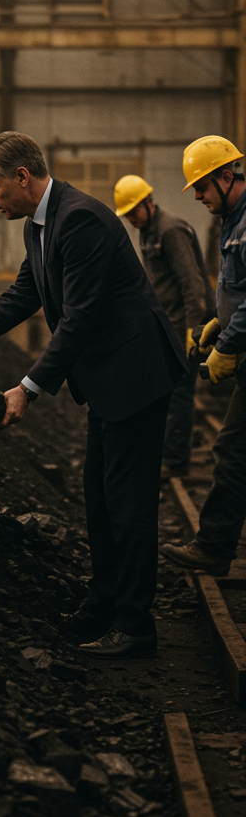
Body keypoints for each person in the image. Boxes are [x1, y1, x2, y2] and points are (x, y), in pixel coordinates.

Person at [0, 132, 189, 660]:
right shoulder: (40, 226)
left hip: (134, 377)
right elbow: (26, 292)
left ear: (23, 177)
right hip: (110, 383)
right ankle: (101, 606)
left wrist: (28, 388)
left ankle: (135, 627)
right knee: (99, 499)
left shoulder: (79, 220)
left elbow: (80, 317)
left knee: (128, 508)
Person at [160, 136, 246, 578]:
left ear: (226, 177)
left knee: (233, 452)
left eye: (201, 186)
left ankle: (214, 546)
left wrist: (228, 345)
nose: (197, 196)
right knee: (233, 451)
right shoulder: (233, 218)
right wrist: (219, 324)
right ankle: (214, 544)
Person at [114, 174, 215, 476]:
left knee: (179, 393)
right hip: (168, 327)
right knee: (167, 391)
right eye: (127, 214)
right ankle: (168, 451)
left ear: (148, 202)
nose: (131, 218)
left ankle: (175, 460)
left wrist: (193, 331)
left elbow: (192, 284)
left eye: (134, 211)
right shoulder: (148, 231)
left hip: (186, 328)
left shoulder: (170, 231)